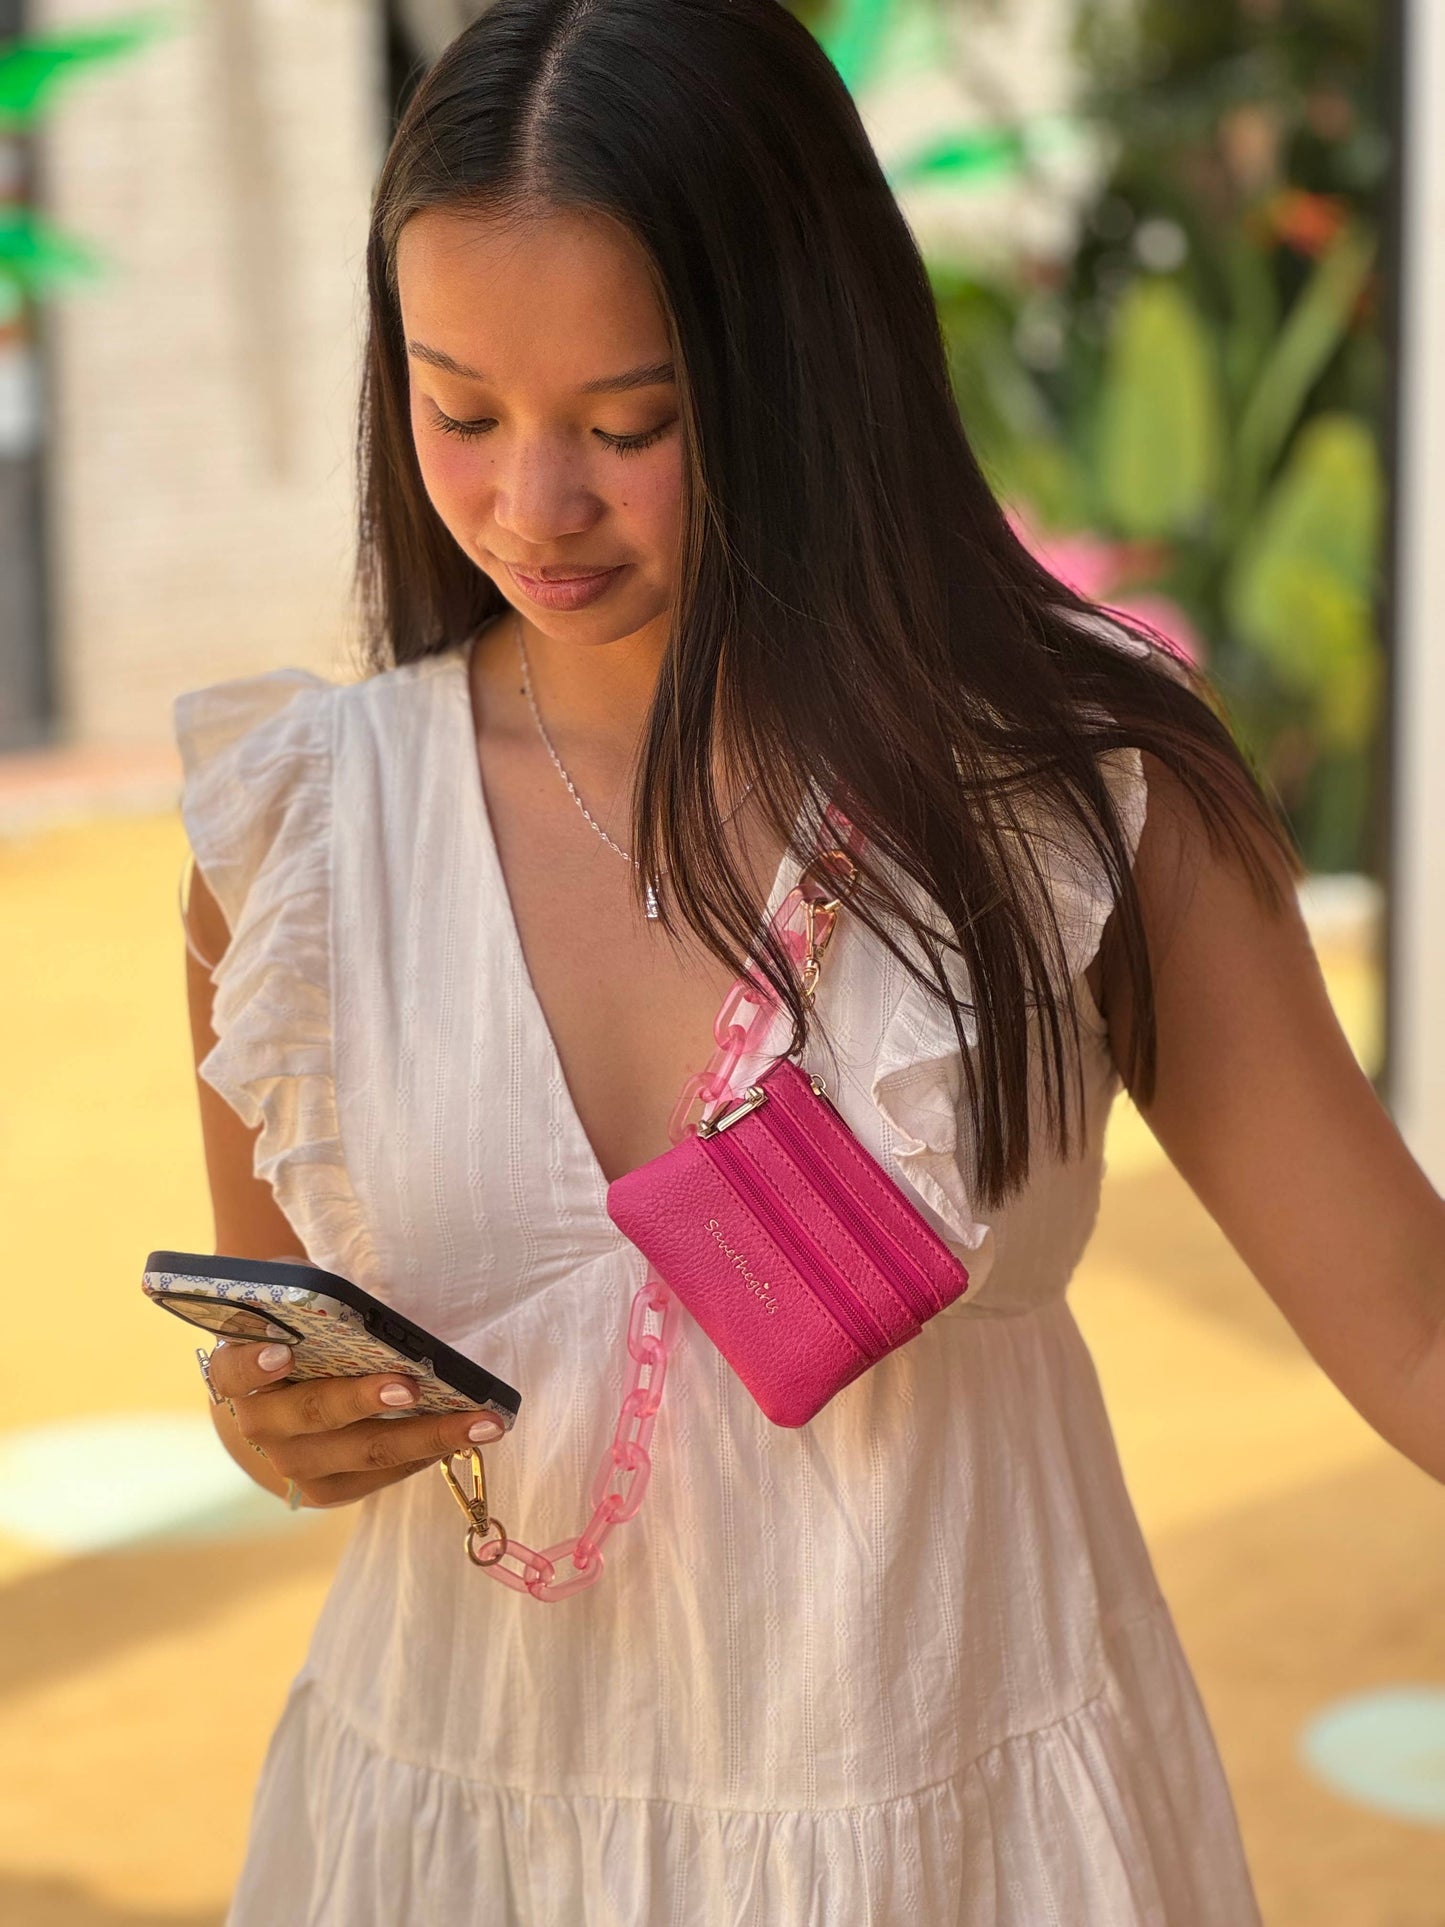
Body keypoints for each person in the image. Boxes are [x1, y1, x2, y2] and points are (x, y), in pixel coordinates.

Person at [173, 1, 1444, 1921]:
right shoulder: (296, 836)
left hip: (964, 1832)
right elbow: (289, 1371)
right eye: (459, 410)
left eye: (631, 424)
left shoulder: (1073, 784)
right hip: (450, 1833)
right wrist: (278, 1428)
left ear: (805, 368)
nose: (534, 505)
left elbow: (1412, 1329)